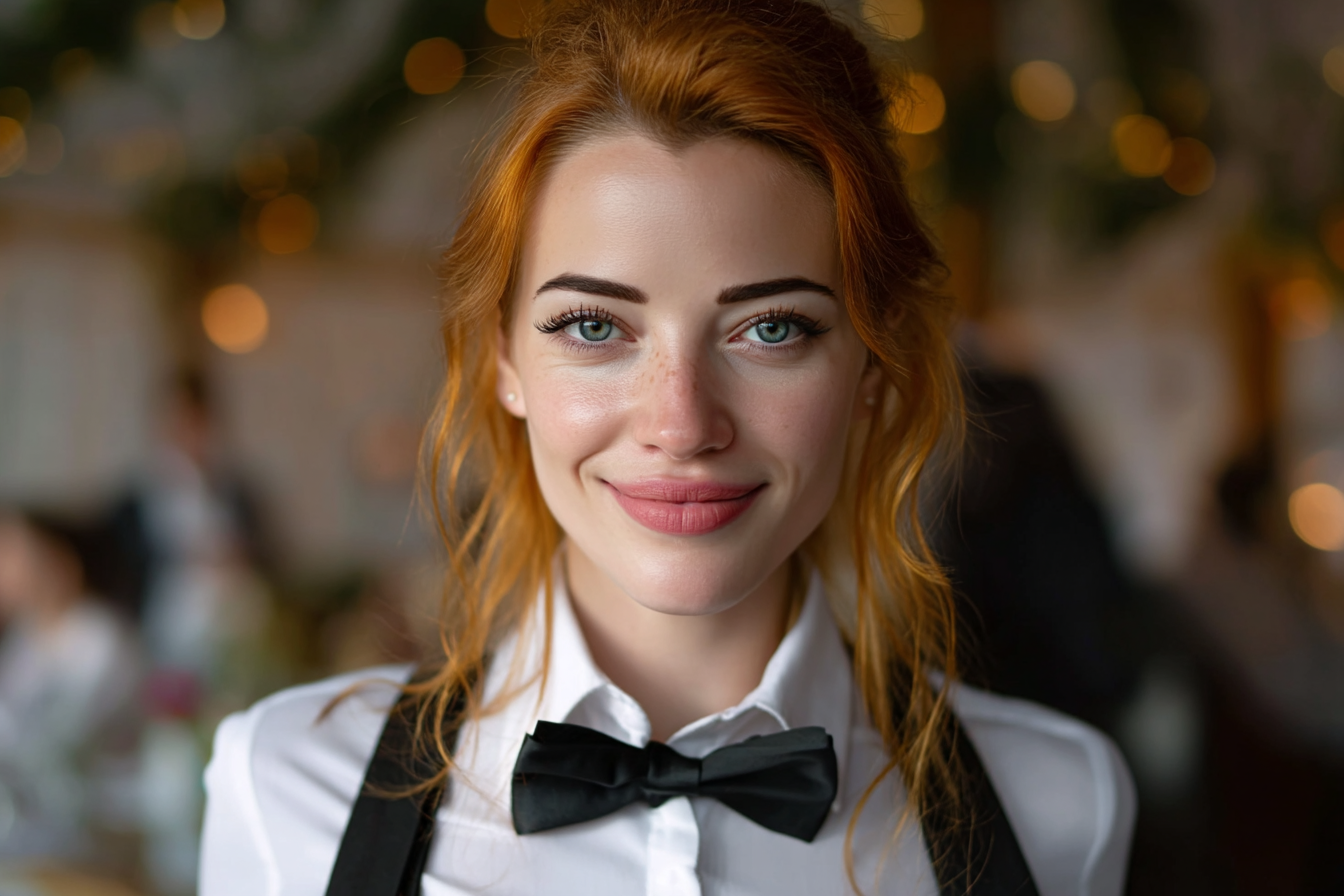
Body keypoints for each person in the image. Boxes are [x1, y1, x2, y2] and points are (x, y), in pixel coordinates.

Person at [199, 2, 1136, 894]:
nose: (681, 423)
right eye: (594, 327)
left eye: (771, 329)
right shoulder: (286, 784)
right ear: (503, 361)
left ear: (873, 367)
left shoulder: (1059, 802)